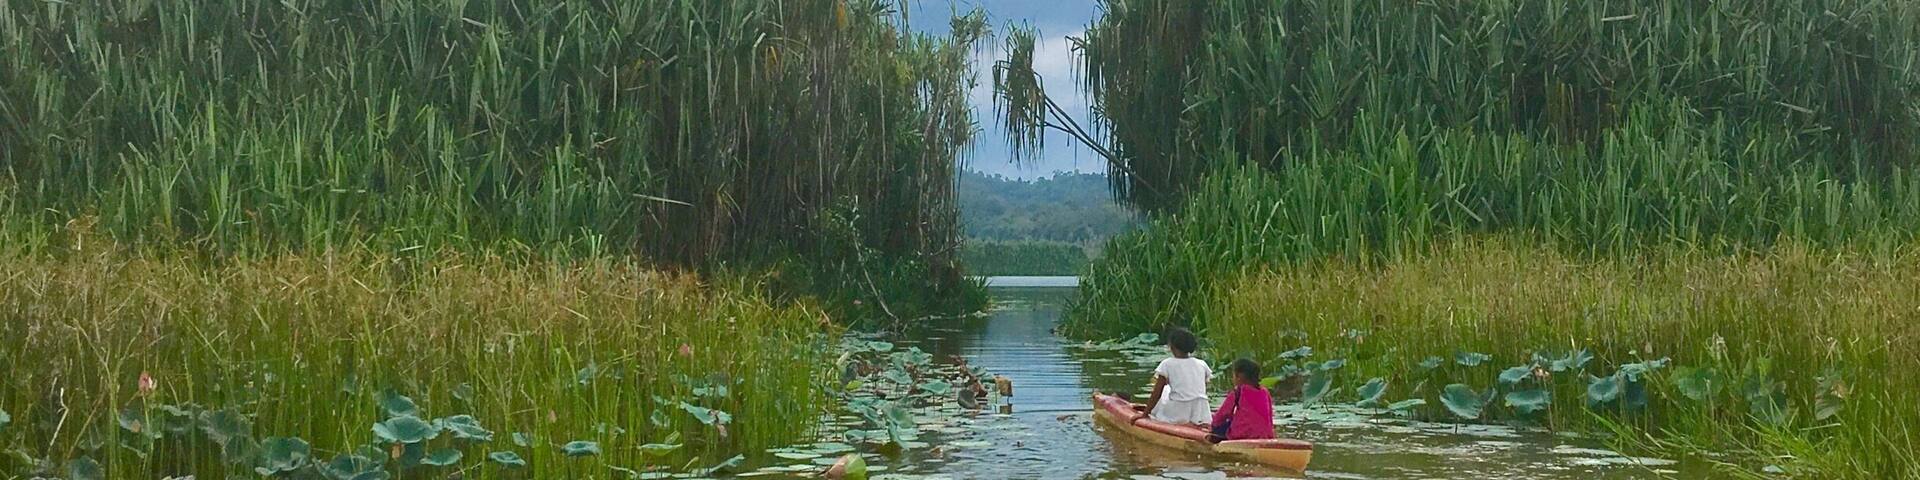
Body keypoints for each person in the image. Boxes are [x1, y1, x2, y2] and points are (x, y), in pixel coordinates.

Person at [1135, 327, 1212, 426]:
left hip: (1178, 413)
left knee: (1166, 391)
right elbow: (1203, 388)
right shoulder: (1202, 364)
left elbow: (1157, 392)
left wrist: (1145, 414)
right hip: (1202, 412)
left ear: (1172, 346)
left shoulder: (1167, 364)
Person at [1208, 358, 1276, 442]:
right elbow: (1269, 416)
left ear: (1239, 376)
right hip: (1266, 436)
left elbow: (1222, 415)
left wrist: (1212, 427)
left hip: (1242, 436)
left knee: (1219, 427)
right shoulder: (1265, 392)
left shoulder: (1238, 392)